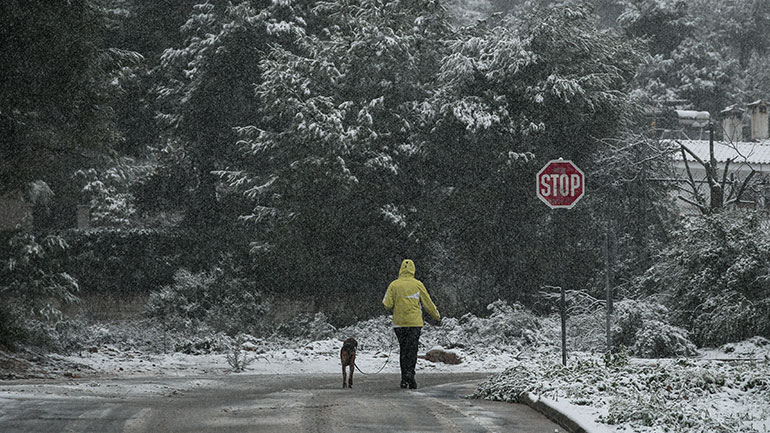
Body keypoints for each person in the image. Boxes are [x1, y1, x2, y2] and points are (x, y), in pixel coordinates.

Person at [382, 259, 440, 389]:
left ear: (401, 269)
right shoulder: (418, 284)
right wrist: (436, 316)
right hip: (414, 323)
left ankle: (404, 378)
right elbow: (428, 303)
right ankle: (411, 374)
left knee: (403, 350)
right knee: (412, 350)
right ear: (413, 269)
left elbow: (387, 304)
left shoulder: (394, 285)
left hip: (399, 323)